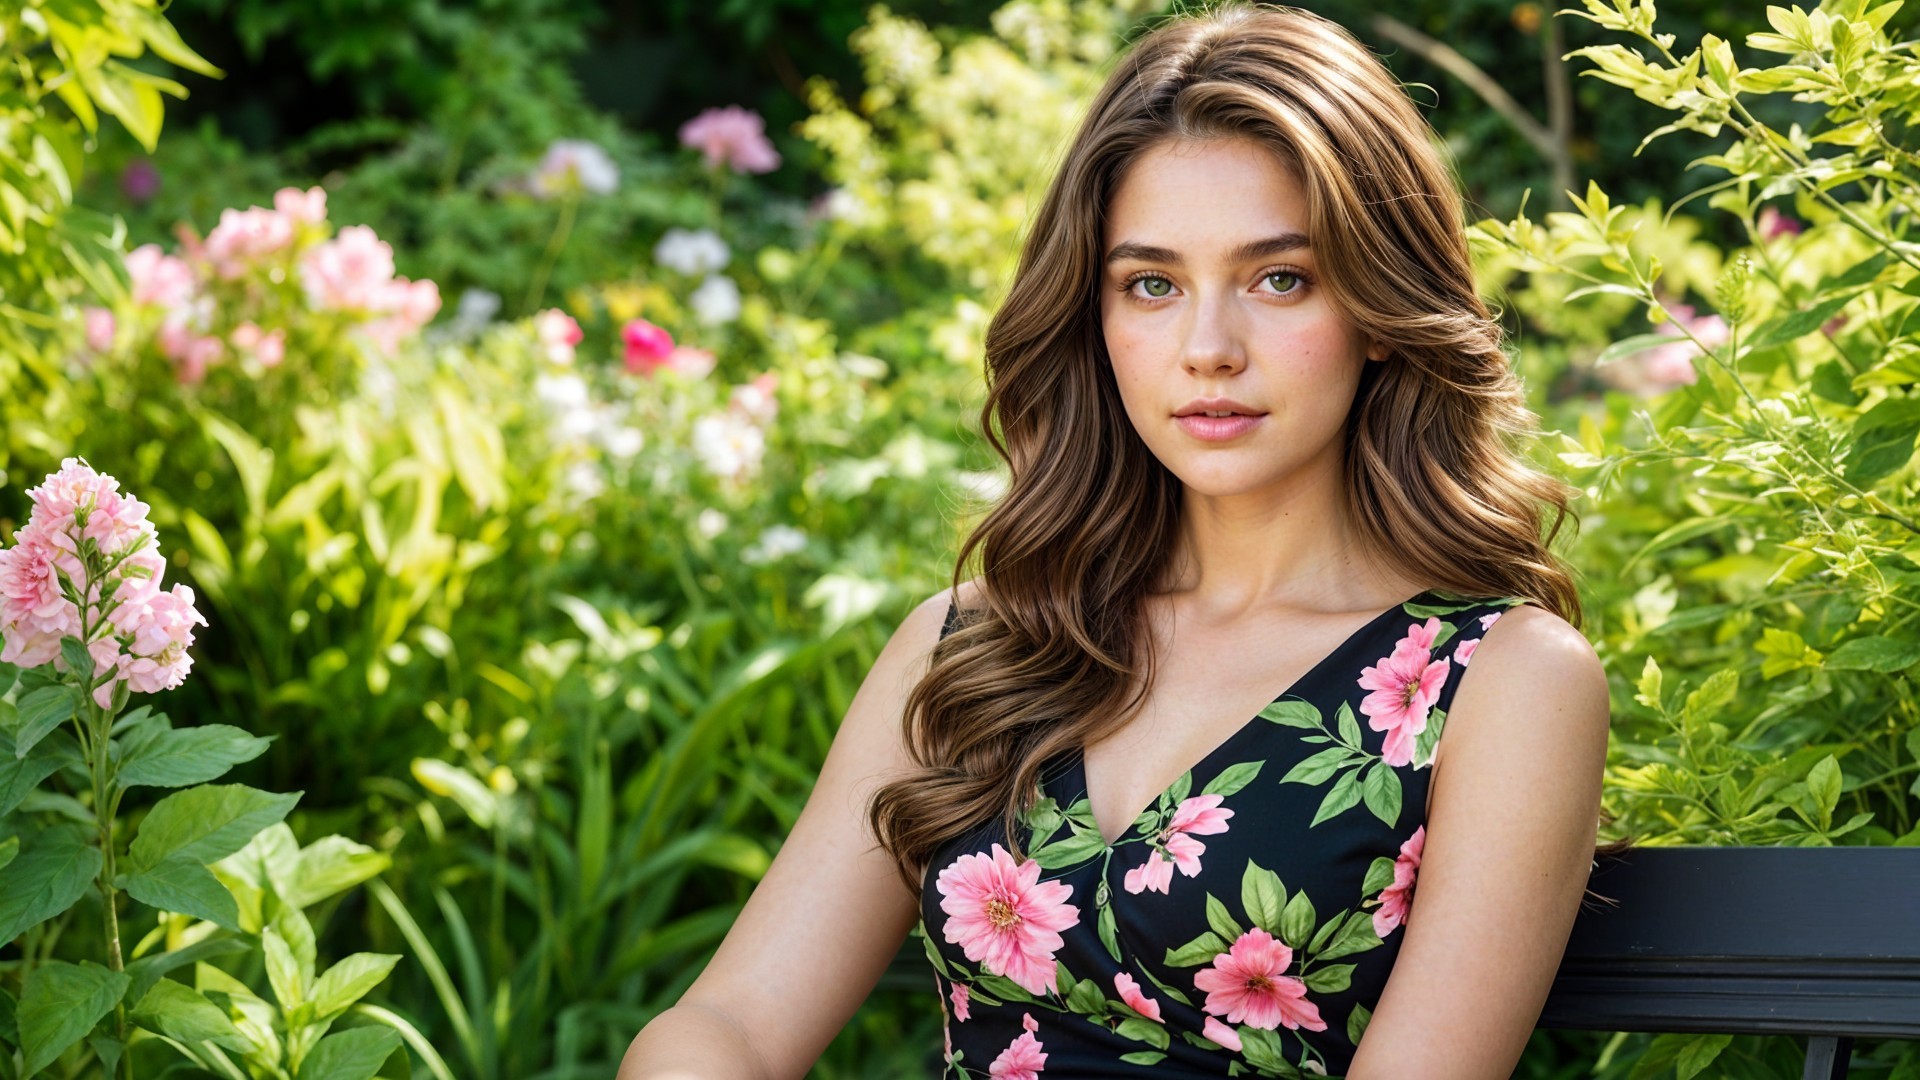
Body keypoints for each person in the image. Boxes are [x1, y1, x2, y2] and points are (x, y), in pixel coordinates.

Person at [619, 3, 1615, 1077]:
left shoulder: (1498, 683)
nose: (1208, 349)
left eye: (1281, 278)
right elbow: (734, 1023)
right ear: (1095, 317)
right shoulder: (977, 649)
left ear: (1379, 306)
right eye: (1153, 285)